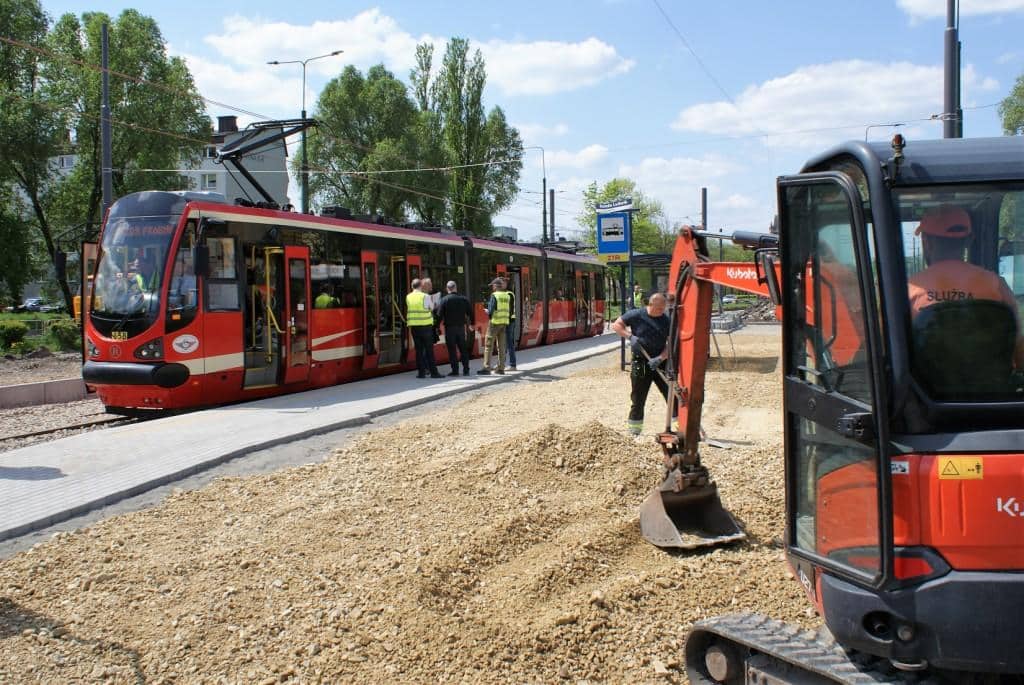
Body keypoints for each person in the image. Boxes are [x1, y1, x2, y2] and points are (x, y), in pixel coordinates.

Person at [908, 204, 1024, 366]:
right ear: (969, 241)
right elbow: (1019, 352)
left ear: (926, 242)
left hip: (923, 382)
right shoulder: (997, 286)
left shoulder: (908, 290)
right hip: (989, 381)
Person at [611, 292, 675, 437]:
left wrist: (660, 358)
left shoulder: (666, 320)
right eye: (659, 308)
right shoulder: (636, 315)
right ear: (651, 305)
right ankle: (635, 429)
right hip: (640, 362)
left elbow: (671, 343)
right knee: (638, 396)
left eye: (663, 308)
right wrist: (630, 337)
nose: (662, 311)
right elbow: (616, 325)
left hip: (660, 363)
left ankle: (678, 425)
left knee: (670, 394)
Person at [436, 280, 474, 376]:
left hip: (449, 329)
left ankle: (455, 370)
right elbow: (471, 313)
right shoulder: (464, 299)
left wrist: (436, 326)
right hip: (461, 328)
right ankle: (466, 370)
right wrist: (472, 324)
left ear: (447, 289)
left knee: (452, 350)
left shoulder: (444, 300)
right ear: (456, 288)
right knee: (463, 349)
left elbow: (439, 315)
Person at [407, 278, 443, 378]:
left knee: (418, 351)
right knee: (429, 350)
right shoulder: (425, 296)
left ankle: (421, 373)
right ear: (420, 286)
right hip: (426, 327)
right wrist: (434, 303)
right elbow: (431, 308)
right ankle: (434, 373)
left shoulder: (408, 297)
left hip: (414, 327)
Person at [478, 277, 511, 375]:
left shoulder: (494, 295)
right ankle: (501, 368)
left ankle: (486, 367)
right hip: (504, 323)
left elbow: (491, 310)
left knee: (488, 345)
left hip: (494, 323)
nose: (492, 287)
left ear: (496, 286)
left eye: (492, 285)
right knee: (501, 347)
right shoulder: (507, 296)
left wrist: (487, 311)